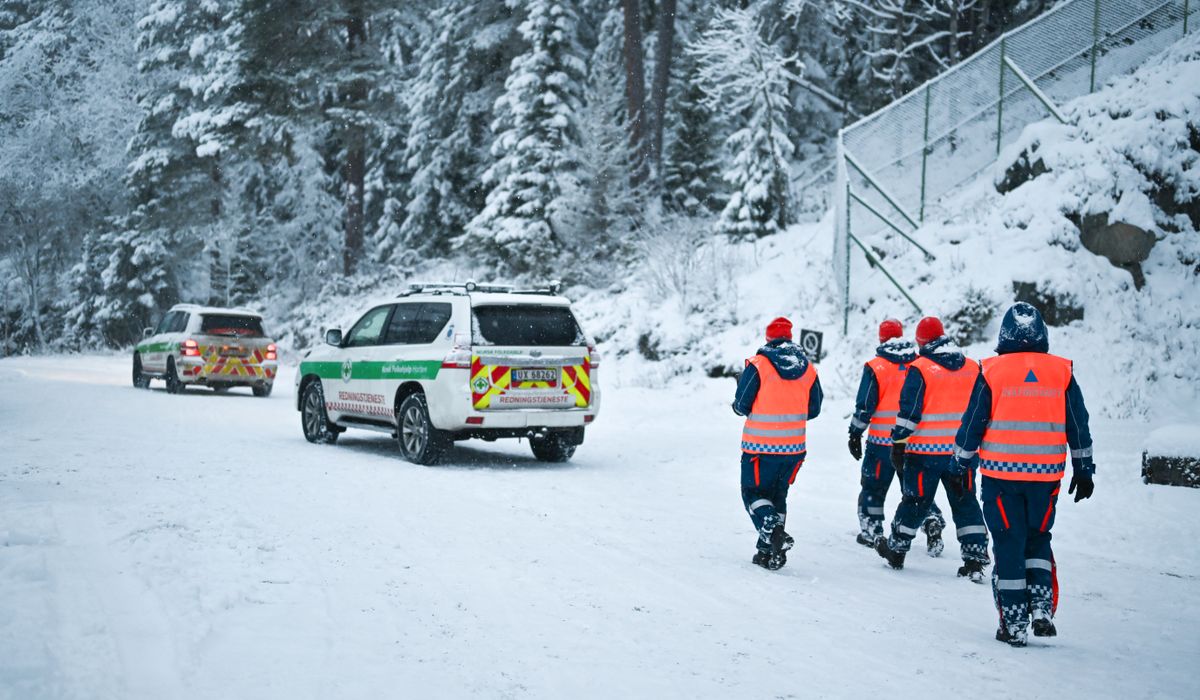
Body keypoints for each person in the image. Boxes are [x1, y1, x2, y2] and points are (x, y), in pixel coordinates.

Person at [951, 302, 1095, 647]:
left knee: (1008, 542)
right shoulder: (1061, 371)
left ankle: (1014, 622)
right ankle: (1042, 605)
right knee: (1038, 537)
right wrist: (1084, 468)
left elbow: (974, 422)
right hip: (1046, 477)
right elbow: (1078, 423)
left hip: (1001, 475)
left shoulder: (992, 370)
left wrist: (961, 463)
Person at [873, 317, 990, 582]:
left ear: (921, 341)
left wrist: (899, 443)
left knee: (915, 501)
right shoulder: (972, 368)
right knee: (965, 501)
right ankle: (975, 557)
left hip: (924, 452)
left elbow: (909, 412)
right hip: (962, 453)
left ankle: (897, 549)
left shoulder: (921, 368)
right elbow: (981, 410)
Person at [732, 316, 823, 571]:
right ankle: (770, 553)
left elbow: (741, 405)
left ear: (768, 337)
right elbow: (814, 408)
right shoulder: (807, 368)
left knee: (753, 494)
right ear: (790, 338)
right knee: (778, 496)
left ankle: (772, 533)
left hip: (760, 448)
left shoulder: (759, 365)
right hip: (794, 448)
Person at [848, 319, 945, 551]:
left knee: (874, 486)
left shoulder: (876, 366)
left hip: (882, 442)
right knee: (914, 491)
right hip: (912, 441)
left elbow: (865, 405)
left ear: (881, 338)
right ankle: (930, 519)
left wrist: (855, 432)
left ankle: (872, 530)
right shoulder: (920, 363)